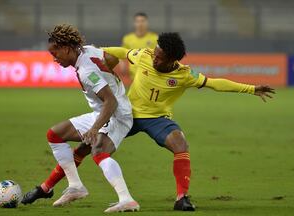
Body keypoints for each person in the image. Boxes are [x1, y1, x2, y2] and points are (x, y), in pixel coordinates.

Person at [22, 32, 275, 211]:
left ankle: (182, 198)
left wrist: (251, 89)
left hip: (156, 119)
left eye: (160, 57)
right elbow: (117, 53)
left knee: (180, 143)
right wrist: (101, 59)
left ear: (173, 60)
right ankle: (47, 187)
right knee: (85, 148)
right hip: (128, 114)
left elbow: (216, 83)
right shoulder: (143, 55)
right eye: (155, 53)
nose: (154, 58)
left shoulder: (185, 75)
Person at [21, 24, 139, 213]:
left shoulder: (86, 71)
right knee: (54, 134)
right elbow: (112, 58)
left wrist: (93, 130)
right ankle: (75, 186)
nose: (54, 59)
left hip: (117, 115)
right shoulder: (88, 50)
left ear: (67, 49)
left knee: (98, 151)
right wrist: (110, 77)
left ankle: (126, 199)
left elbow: (111, 102)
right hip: (101, 112)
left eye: (55, 53)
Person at [122, 12, 158, 79]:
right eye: (137, 21)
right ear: (134, 23)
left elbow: (159, 55)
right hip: (133, 75)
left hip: (150, 75)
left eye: (143, 21)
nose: (140, 24)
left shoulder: (155, 38)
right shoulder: (127, 38)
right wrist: (122, 64)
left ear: (147, 23)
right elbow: (122, 53)